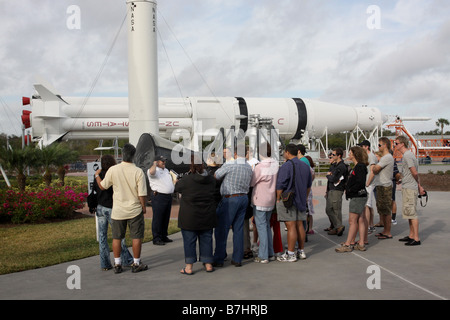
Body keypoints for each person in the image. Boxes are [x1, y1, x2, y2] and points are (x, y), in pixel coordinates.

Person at [95, 143, 148, 273]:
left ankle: (117, 264)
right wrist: (144, 206)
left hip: (118, 210)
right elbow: (142, 194)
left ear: (122, 155)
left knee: (117, 237)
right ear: (134, 156)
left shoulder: (113, 170)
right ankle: (136, 263)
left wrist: (97, 176)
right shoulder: (138, 171)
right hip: (134, 209)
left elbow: (103, 186)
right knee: (136, 237)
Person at [175, 155, 217, 274]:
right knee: (206, 238)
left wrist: (177, 180)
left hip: (189, 215)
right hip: (207, 214)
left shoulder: (186, 180)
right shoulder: (211, 180)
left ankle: (189, 267)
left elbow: (177, 187)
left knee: (189, 240)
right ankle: (208, 263)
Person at [213, 143, 253, 267]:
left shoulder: (230, 164)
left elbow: (217, 175)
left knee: (222, 229)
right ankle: (237, 258)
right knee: (238, 229)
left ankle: (219, 258)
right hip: (243, 197)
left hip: (230, 198)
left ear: (235, 154)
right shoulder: (248, 166)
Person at [93, 155, 134, 270]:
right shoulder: (112, 174)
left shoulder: (98, 175)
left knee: (102, 237)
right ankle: (126, 259)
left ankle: (105, 264)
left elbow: (97, 188)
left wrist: (96, 175)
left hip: (100, 207)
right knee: (118, 235)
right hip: (111, 208)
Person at [276, 144, 312, 262]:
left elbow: (281, 185)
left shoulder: (286, 166)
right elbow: (308, 185)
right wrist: (305, 198)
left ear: (287, 152)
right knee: (300, 225)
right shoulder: (305, 166)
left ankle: (290, 253)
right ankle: (301, 251)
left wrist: (278, 198)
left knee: (290, 226)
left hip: (289, 200)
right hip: (301, 199)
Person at [336, 146, 369, 252]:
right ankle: (361, 243)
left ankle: (348, 244)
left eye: (350, 153)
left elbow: (360, 182)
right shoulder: (360, 166)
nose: (349, 155)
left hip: (357, 196)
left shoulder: (359, 167)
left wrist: (350, 190)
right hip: (360, 196)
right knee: (360, 219)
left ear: (355, 154)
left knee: (352, 220)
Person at [250, 142, 279, 263]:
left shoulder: (260, 166)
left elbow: (252, 182)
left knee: (261, 227)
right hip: (271, 198)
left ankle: (263, 255)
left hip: (260, 198)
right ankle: (270, 252)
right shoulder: (276, 164)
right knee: (266, 226)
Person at [394, 136, 424, 246]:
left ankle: (416, 238)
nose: (395, 145)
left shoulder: (407, 155)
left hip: (410, 188)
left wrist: (419, 186)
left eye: (396, 143)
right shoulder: (407, 155)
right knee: (409, 212)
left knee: (412, 213)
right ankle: (411, 235)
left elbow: (414, 172)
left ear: (402, 144)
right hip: (407, 185)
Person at [148, 155, 175, 246]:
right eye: (161, 161)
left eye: (164, 161)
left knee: (166, 217)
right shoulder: (154, 170)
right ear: (156, 162)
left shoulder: (166, 170)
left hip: (168, 196)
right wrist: (154, 165)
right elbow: (151, 172)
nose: (164, 162)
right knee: (158, 218)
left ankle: (163, 235)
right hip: (159, 196)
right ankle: (156, 237)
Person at [372, 137, 395, 240]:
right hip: (381, 185)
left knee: (386, 210)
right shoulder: (385, 158)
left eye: (379, 145)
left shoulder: (387, 157)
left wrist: (374, 167)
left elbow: (375, 169)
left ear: (385, 145)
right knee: (382, 210)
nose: (378, 147)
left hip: (385, 186)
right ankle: (385, 230)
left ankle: (388, 232)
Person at [325, 147, 348, 236]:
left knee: (336, 209)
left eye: (333, 155)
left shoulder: (341, 166)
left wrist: (328, 176)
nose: (332, 156)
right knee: (329, 209)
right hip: (331, 190)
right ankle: (337, 226)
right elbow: (331, 174)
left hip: (337, 190)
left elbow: (334, 178)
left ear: (339, 156)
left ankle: (338, 226)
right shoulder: (335, 165)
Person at [357, 140, 378, 234]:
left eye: (362, 146)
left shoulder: (371, 156)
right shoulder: (366, 156)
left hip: (369, 183)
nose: (360, 148)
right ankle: (371, 225)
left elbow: (372, 171)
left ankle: (368, 226)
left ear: (366, 147)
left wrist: (367, 183)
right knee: (369, 206)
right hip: (367, 183)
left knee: (366, 205)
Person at [305, 155, 316, 235]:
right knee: (309, 211)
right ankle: (310, 228)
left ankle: (306, 228)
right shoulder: (312, 170)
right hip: (309, 190)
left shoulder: (308, 169)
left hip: (306, 191)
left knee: (306, 211)